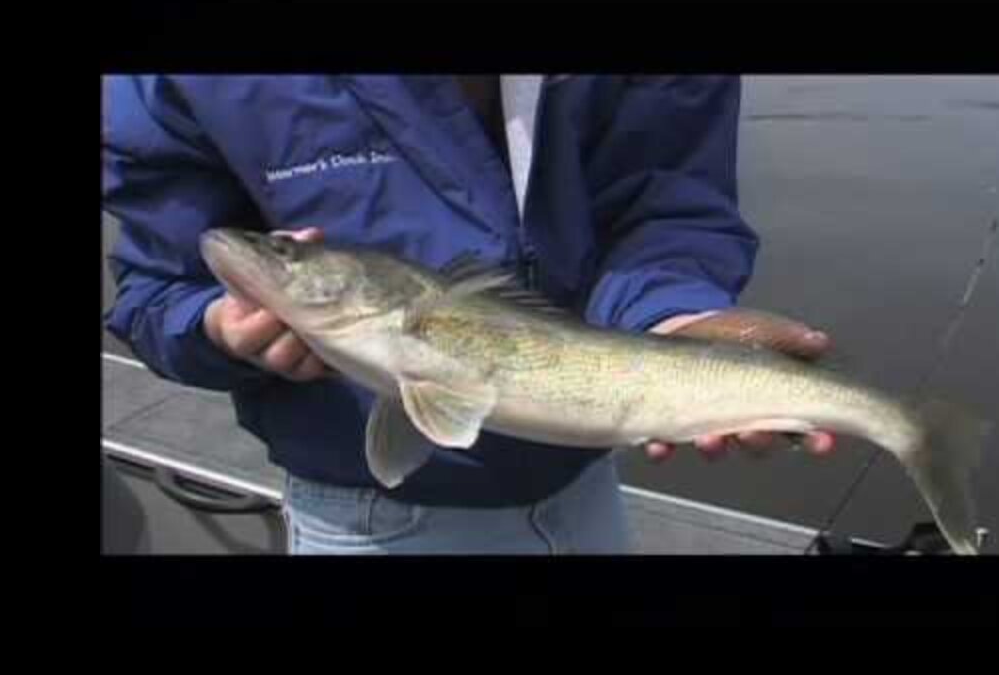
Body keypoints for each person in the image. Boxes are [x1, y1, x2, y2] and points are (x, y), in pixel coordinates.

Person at [102, 75, 835, 555]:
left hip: (588, 493)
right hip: (371, 523)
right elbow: (155, 289)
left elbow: (664, 203)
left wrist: (673, 315)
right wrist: (219, 328)